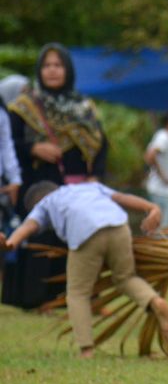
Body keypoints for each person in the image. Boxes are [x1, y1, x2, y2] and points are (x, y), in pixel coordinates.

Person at [1, 181, 168, 357]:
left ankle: (86, 349)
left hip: (86, 233)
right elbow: (122, 197)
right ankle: (156, 302)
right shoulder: (89, 187)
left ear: (36, 202)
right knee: (126, 278)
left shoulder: (44, 203)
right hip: (118, 226)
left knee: (78, 292)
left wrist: (10, 243)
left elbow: (27, 226)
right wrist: (151, 208)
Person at [3, 44, 108, 310]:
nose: (52, 71)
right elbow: (7, 143)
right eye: (47, 65)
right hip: (39, 186)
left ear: (68, 70)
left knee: (77, 241)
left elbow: (100, 145)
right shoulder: (24, 107)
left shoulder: (84, 107)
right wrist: (33, 148)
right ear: (40, 70)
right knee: (41, 237)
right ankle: (34, 297)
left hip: (77, 187)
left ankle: (73, 297)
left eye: (58, 65)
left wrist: (95, 176)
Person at [144, 112, 168, 228]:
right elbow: (150, 156)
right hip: (162, 191)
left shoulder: (166, 137)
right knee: (164, 229)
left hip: (164, 191)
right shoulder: (163, 136)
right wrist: (163, 176)